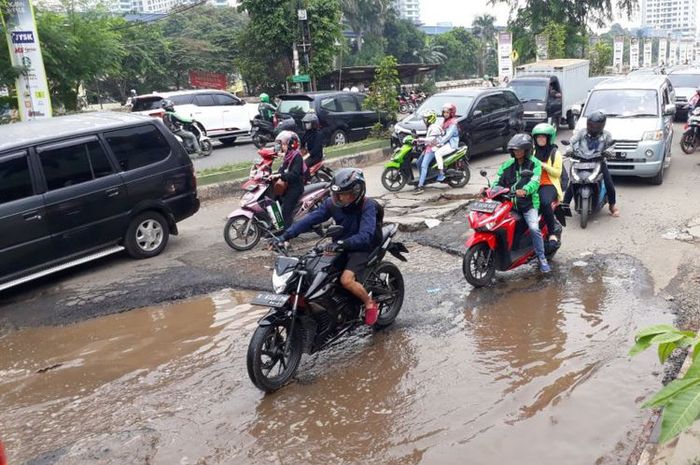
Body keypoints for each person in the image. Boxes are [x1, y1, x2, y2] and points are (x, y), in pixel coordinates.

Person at [275, 168, 381, 325]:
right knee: (316, 274)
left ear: (357, 192)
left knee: (346, 280)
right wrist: (285, 236)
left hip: (361, 246)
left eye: (344, 194)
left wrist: (343, 243)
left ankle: (369, 303)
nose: (339, 198)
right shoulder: (332, 204)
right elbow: (309, 219)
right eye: (336, 194)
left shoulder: (368, 206)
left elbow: (366, 235)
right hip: (338, 245)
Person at [492, 133, 550, 273]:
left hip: (528, 204)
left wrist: (525, 190)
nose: (517, 152)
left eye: (520, 149)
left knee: (534, 228)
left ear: (527, 150)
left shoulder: (534, 164)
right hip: (509, 204)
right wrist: (491, 189)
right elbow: (497, 179)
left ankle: (542, 258)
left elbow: (535, 181)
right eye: (514, 150)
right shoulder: (507, 165)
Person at [563, 110, 619, 217]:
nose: (593, 127)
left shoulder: (607, 135)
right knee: (574, 181)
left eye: (596, 125)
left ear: (602, 125)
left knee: (609, 183)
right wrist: (569, 148)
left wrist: (609, 152)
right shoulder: (582, 132)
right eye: (591, 124)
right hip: (581, 160)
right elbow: (572, 140)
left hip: (598, 161)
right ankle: (565, 205)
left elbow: (611, 146)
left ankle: (612, 206)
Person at [531, 123, 563, 243]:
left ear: (549, 138)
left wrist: (544, 165)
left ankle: (552, 232)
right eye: (538, 137)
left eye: (543, 137)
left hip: (549, 184)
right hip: (534, 183)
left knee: (544, 203)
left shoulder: (555, 153)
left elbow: (558, 173)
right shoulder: (532, 152)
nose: (541, 139)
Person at [272, 130, 307, 230]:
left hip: (295, 188)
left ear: (290, 144)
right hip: (287, 186)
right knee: (274, 200)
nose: (281, 147)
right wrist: (274, 175)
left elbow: (294, 174)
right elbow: (281, 170)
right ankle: (276, 226)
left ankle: (287, 236)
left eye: (283, 144)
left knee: (286, 210)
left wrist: (281, 176)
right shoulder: (287, 157)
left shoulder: (297, 157)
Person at [414, 110, 444, 195]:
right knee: (418, 162)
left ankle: (420, 186)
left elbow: (430, 139)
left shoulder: (435, 128)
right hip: (428, 148)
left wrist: (420, 139)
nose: (424, 120)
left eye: (426, 119)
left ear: (430, 119)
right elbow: (428, 139)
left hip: (433, 149)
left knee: (423, 165)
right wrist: (418, 140)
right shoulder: (431, 126)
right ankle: (423, 179)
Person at [433, 102, 459, 181]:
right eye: (444, 112)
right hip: (446, 143)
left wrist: (439, 142)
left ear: (451, 113)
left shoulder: (453, 123)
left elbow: (448, 136)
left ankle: (441, 173)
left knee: (437, 153)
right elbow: (439, 130)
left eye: (447, 112)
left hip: (451, 144)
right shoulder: (446, 121)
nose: (445, 114)